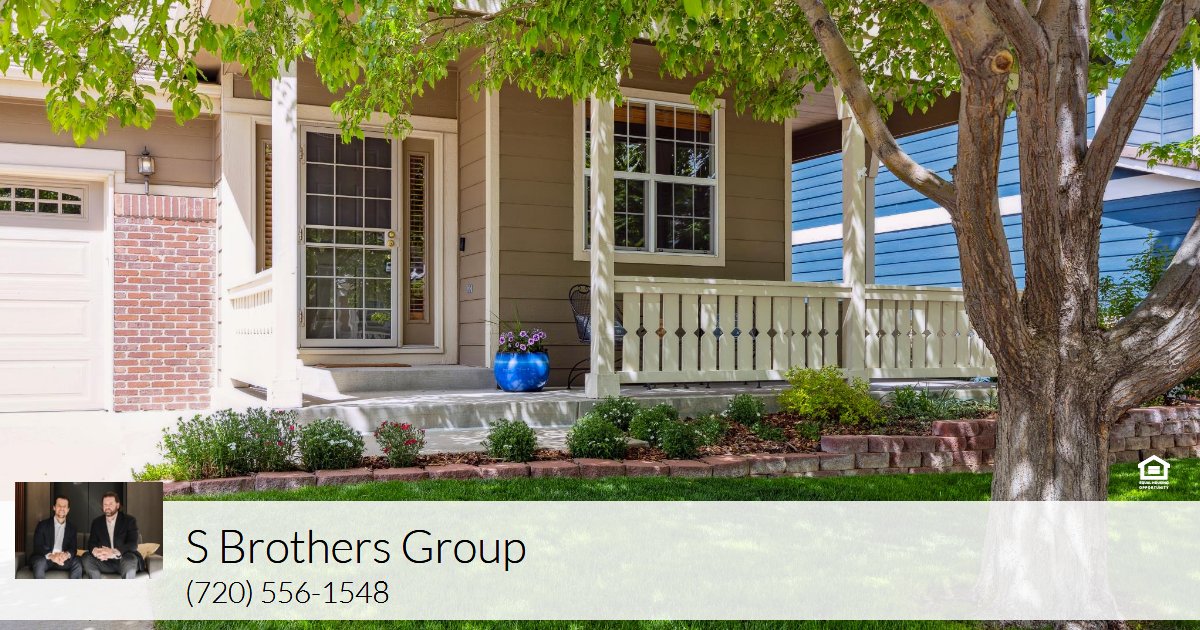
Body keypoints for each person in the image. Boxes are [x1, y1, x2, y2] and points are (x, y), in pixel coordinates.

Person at [81, 491, 142, 579]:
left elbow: (133, 545)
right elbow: (91, 543)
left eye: (110, 504)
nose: (107, 507)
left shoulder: (129, 521)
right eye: (105, 504)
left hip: (124, 560)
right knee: (86, 557)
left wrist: (113, 552)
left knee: (129, 559)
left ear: (117, 505)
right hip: (105, 561)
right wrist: (96, 552)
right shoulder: (96, 522)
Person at [29, 496, 82, 579]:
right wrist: (52, 556)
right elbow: (38, 546)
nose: (62, 508)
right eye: (59, 505)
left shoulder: (72, 528)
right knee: (39, 563)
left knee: (77, 562)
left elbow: (73, 548)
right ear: (54, 507)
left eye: (64, 506)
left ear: (68, 510)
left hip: (63, 560)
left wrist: (66, 555)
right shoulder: (42, 525)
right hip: (46, 559)